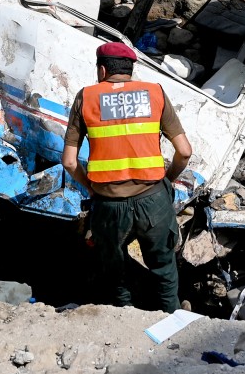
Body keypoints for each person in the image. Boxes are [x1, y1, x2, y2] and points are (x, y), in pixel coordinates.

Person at [61, 41, 193, 313]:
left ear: (102, 70)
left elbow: (69, 162)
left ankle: (125, 317)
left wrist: (92, 187)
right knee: (164, 268)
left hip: (109, 205)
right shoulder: (155, 93)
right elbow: (184, 152)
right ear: (131, 70)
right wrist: (166, 181)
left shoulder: (86, 98)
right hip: (153, 199)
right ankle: (173, 317)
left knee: (115, 270)